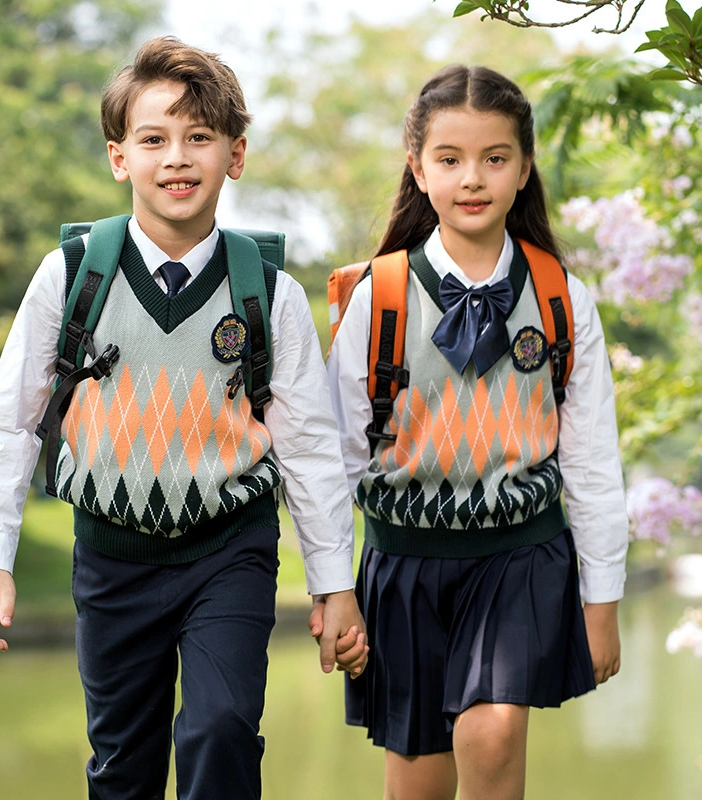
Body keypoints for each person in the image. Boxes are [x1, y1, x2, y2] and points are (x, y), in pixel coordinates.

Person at [0, 36, 368, 800]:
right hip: (111, 559)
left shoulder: (269, 291)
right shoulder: (73, 275)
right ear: (120, 157)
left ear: (235, 155)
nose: (177, 158)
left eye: (199, 139)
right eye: (154, 139)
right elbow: (9, 421)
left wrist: (332, 583)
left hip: (230, 551)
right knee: (124, 765)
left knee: (220, 729)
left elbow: (312, 449)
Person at [326, 64, 627, 800]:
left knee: (492, 734)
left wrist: (603, 603)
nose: (473, 179)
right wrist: (332, 590)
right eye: (450, 159)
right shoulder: (377, 297)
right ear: (417, 167)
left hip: (519, 555)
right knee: (418, 785)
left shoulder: (560, 296)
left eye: (495, 159)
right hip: (403, 564)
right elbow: (329, 457)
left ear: (524, 169)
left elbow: (591, 460)